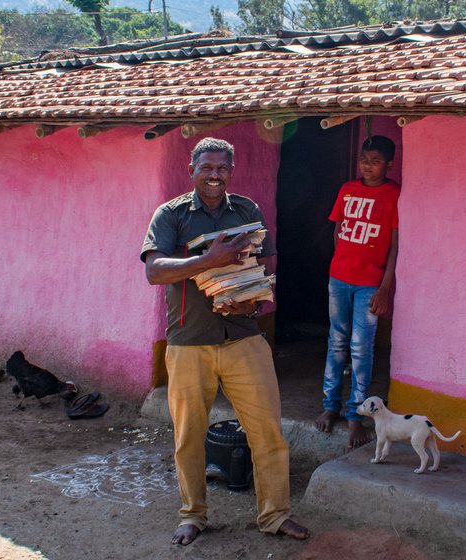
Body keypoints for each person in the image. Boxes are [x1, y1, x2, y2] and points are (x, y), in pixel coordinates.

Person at [141, 137, 309, 546]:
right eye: (207, 167)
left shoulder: (247, 210)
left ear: (231, 171)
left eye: (222, 168)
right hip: (189, 342)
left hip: (245, 339)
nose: (214, 175)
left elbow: (261, 267)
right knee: (188, 435)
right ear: (192, 169)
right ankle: (192, 515)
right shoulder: (171, 215)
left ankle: (274, 515)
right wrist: (207, 261)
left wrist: (250, 307)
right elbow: (155, 271)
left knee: (267, 431)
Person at [314, 135, 400, 449]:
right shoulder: (347, 190)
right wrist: (344, 263)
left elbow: (395, 246)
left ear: (389, 164)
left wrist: (385, 288)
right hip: (339, 278)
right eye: (364, 159)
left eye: (375, 160)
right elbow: (338, 230)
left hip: (370, 285)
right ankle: (331, 404)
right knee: (336, 341)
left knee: (361, 348)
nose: (367, 165)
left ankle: (356, 414)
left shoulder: (393, 195)